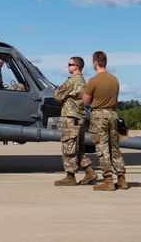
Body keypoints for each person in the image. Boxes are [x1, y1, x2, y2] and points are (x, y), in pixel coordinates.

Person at [83, 50, 127, 191]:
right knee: (114, 148)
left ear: (95, 63)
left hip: (99, 116)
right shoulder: (114, 79)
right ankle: (121, 179)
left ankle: (108, 181)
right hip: (113, 114)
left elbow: (86, 101)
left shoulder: (93, 81)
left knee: (102, 149)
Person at [53, 56, 98, 186]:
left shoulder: (71, 82)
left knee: (68, 146)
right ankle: (89, 171)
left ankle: (70, 176)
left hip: (71, 118)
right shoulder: (84, 82)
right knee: (78, 148)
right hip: (80, 118)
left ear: (76, 67)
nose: (68, 66)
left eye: (70, 64)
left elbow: (57, 95)